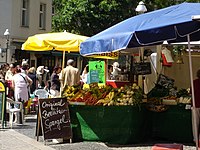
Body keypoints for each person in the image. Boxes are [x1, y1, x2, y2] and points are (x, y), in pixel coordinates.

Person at [192, 69, 200, 145]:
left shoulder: (194, 82)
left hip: (196, 104)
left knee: (195, 122)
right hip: (196, 104)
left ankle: (195, 139)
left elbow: (191, 92)